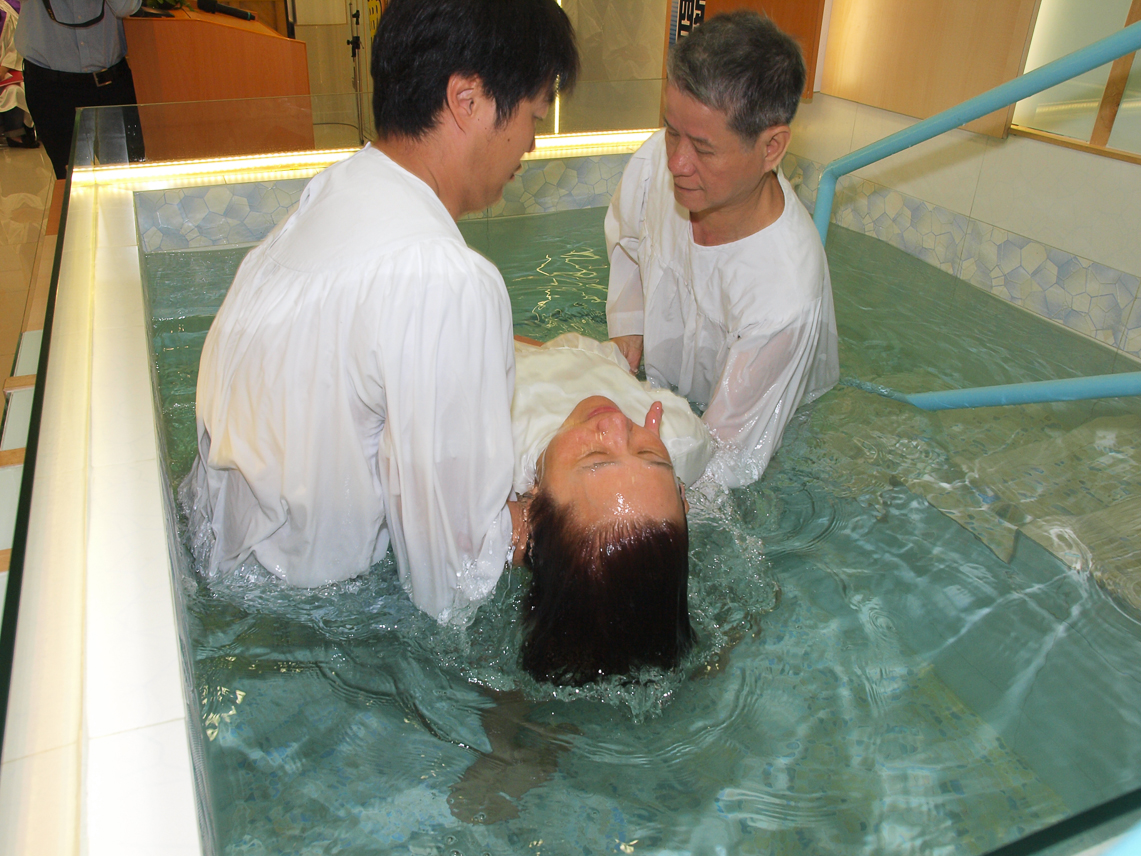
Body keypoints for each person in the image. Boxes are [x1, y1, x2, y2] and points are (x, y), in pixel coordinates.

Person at [182, 0, 579, 625]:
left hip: (220, 558)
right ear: (468, 100)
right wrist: (547, 515)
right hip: (312, 620)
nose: (533, 141)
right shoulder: (447, 278)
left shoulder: (332, 191)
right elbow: (453, 574)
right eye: (534, 114)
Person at [605, 11, 839, 489]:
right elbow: (629, 245)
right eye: (671, 130)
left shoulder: (782, 293)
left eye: (703, 148)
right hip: (673, 392)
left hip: (768, 427)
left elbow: (722, 463)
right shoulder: (658, 164)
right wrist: (628, 333)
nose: (676, 162)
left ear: (771, 148)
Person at [510, 333, 713, 684]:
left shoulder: (493, 443)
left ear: (531, 509)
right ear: (682, 495)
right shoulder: (683, 437)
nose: (619, 423)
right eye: (649, 454)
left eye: (596, 456)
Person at [16, 0, 144, 178]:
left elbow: (126, 7)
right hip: (51, 87)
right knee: (70, 178)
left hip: (111, 82)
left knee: (123, 176)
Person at [0, 0, 39, 148]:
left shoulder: (6, 13)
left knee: (15, 91)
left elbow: (14, 46)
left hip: (5, 72)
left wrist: (4, 68)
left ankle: (14, 135)